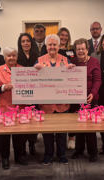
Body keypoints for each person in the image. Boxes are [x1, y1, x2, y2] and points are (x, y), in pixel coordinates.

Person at [33, 34, 75, 166]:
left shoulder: (66, 60)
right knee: (47, 132)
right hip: (46, 104)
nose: (52, 47)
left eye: (54, 44)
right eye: (50, 45)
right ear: (46, 46)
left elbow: (71, 80)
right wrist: (35, 71)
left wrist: (72, 71)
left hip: (62, 103)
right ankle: (48, 154)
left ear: (58, 46)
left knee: (62, 131)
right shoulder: (39, 60)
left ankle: (62, 154)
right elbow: (33, 81)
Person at [0, 47, 28, 170]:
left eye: (13, 55)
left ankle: (18, 156)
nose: (11, 58)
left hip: (19, 108)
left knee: (18, 135)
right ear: (4, 57)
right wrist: (3, 87)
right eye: (8, 56)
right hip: (4, 107)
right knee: (3, 136)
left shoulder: (22, 70)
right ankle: (5, 158)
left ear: (17, 57)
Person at [70, 38, 101, 162]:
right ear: (75, 50)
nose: (81, 51)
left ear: (87, 49)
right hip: (76, 99)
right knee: (79, 125)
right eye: (78, 49)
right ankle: (79, 150)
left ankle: (93, 152)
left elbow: (98, 80)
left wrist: (93, 94)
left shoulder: (94, 61)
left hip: (91, 99)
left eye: (83, 49)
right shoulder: (72, 62)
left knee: (90, 126)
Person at [17, 33, 39, 156]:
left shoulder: (37, 57)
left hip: (35, 92)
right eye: (23, 41)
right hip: (22, 93)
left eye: (28, 41)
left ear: (31, 42)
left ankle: (32, 145)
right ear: (20, 43)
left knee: (33, 120)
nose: (25, 43)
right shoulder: (17, 57)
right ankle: (22, 147)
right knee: (22, 121)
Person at [56, 27, 76, 149]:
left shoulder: (72, 50)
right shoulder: (53, 49)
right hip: (55, 84)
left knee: (70, 110)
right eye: (61, 35)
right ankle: (58, 136)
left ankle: (71, 137)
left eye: (66, 35)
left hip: (69, 84)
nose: (64, 37)